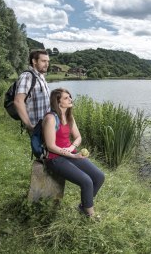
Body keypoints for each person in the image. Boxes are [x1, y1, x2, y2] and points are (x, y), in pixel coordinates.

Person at [42, 88, 105, 218]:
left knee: (99, 177)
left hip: (70, 154)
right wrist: (71, 154)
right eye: (66, 98)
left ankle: (84, 205)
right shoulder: (50, 118)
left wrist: (72, 147)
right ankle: (90, 215)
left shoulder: (69, 117)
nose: (70, 99)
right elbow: (50, 146)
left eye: (70, 97)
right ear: (57, 102)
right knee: (86, 181)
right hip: (54, 158)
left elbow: (78, 137)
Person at [14, 49, 51, 133]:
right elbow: (18, 101)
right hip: (36, 127)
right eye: (43, 61)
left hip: (46, 126)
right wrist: (29, 125)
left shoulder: (40, 76)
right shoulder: (27, 76)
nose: (47, 64)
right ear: (34, 61)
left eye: (48, 61)